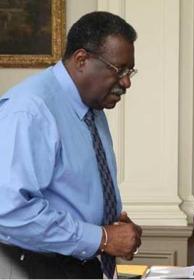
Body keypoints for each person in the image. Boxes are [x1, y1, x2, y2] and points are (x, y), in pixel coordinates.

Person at [0, 11, 142, 279]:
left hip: (81, 266)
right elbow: (8, 210)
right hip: (36, 268)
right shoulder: (30, 111)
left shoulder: (91, 108)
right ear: (81, 60)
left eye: (130, 70)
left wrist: (112, 230)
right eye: (119, 70)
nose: (126, 82)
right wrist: (101, 237)